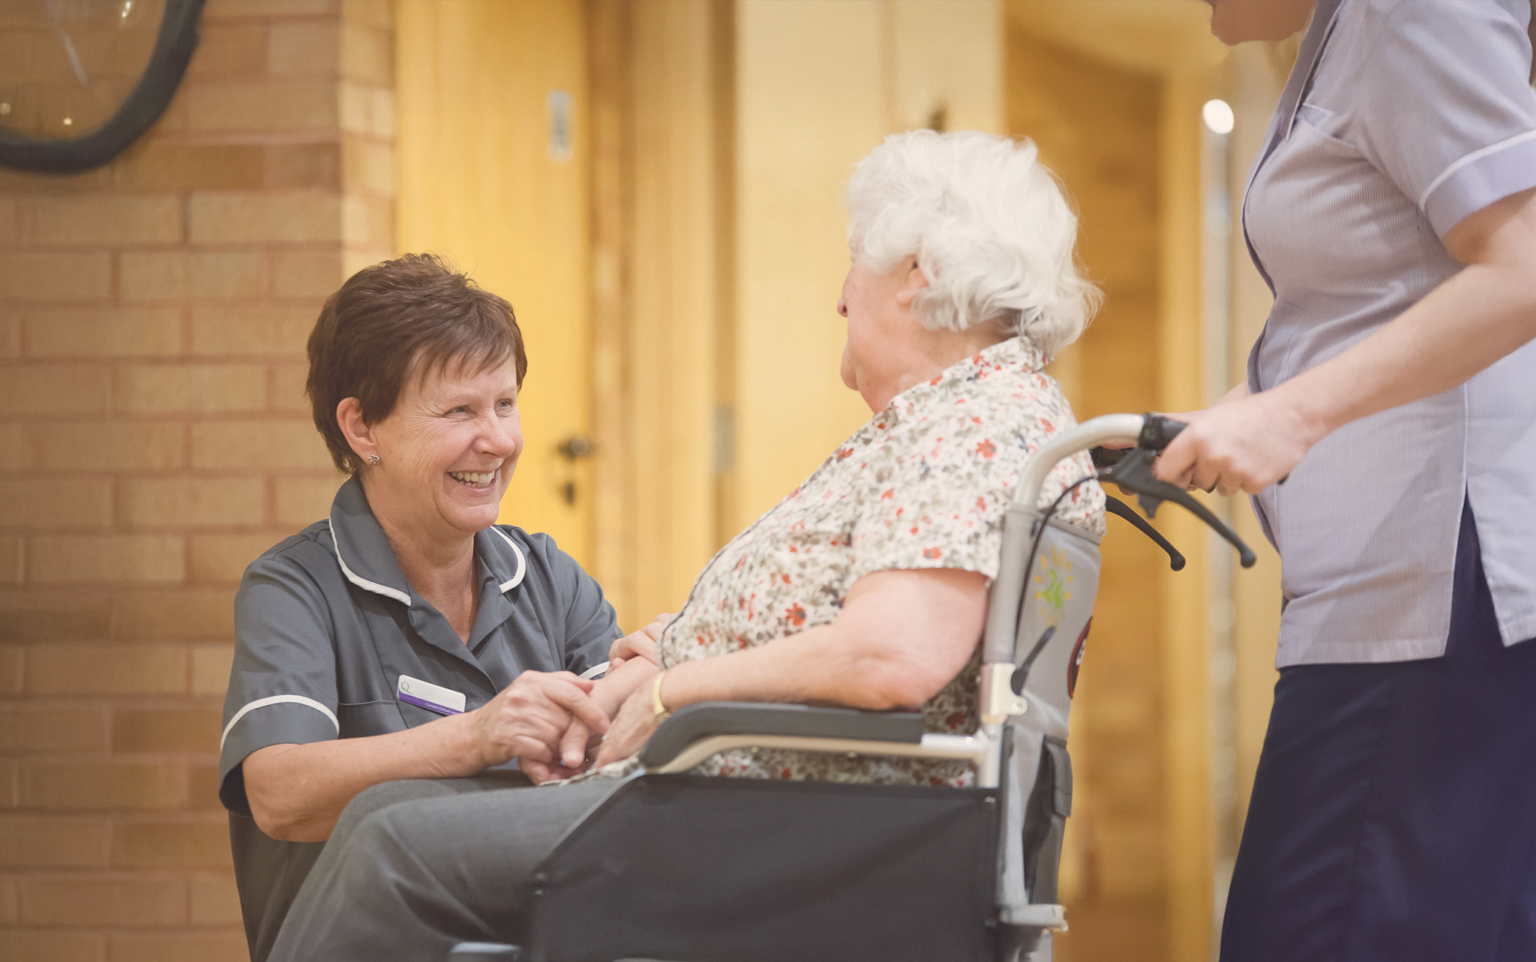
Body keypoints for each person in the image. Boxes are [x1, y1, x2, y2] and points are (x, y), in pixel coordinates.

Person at [262, 130, 1107, 960]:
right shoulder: (960, 418)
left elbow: (893, 656)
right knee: (383, 812)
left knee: (396, 850)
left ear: (915, 278)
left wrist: (674, 689)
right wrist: (666, 655)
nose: (842, 296)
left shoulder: (972, 425)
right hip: (766, 796)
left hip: (790, 818)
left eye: (857, 260)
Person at [1165, 2, 1536, 959]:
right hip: (1397, 592)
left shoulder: (1412, 10)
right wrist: (1235, 407)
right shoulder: (1341, 39)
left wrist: (1289, 415)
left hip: (1437, 591)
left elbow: (1524, 266)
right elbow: (1371, 299)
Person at [217, 253, 669, 962]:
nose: (499, 441)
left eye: (506, 404)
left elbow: (607, 754)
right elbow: (278, 793)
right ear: (362, 429)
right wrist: (477, 736)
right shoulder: (292, 588)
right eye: (459, 410)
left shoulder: (548, 572)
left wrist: (654, 672)